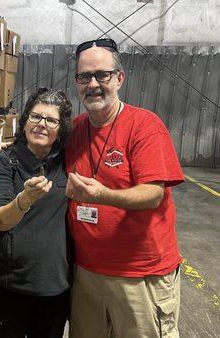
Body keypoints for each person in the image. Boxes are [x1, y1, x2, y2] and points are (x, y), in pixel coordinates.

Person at [65, 38, 185, 338]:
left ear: (119, 78)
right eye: (84, 77)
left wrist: (102, 196)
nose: (92, 84)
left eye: (101, 75)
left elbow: (153, 193)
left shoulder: (144, 125)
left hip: (139, 273)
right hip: (86, 272)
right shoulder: (75, 129)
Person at [0, 88, 73, 338]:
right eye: (35, 117)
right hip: (9, 286)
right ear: (24, 122)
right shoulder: (5, 160)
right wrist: (24, 200)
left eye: (51, 120)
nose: (41, 125)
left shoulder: (67, 160)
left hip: (54, 287)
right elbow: (0, 219)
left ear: (61, 129)